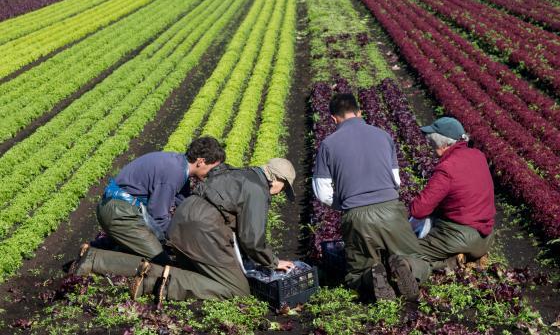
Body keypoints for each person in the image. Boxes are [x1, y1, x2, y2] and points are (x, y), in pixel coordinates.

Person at [72, 158, 296, 303]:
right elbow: (251, 239)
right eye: (283, 189)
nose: (279, 193)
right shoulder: (258, 189)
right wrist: (273, 262)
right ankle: (158, 282)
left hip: (183, 218)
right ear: (277, 180)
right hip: (203, 228)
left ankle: (95, 258)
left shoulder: (239, 173)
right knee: (238, 289)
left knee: (188, 267)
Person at [312, 93, 430, 302]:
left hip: (356, 214)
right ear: (359, 112)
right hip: (391, 209)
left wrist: (348, 204)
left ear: (333, 119)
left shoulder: (328, 144)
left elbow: (321, 192)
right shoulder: (383, 135)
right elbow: (397, 180)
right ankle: (407, 266)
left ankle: (371, 275)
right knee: (416, 257)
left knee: (357, 271)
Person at [95, 136, 225, 264]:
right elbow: (158, 215)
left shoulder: (179, 164)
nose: (211, 173)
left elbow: (184, 203)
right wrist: (179, 242)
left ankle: (98, 249)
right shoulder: (175, 172)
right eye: (212, 168)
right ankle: (94, 261)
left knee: (146, 247)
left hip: (119, 208)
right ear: (201, 161)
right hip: (119, 212)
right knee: (160, 260)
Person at [410, 117, 495, 270]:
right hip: (486, 237)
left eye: (432, 142)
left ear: (442, 144)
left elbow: (419, 210)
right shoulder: (478, 156)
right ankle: (471, 256)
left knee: (409, 251)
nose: (430, 146)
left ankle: (451, 263)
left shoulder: (447, 168)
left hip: (460, 236)